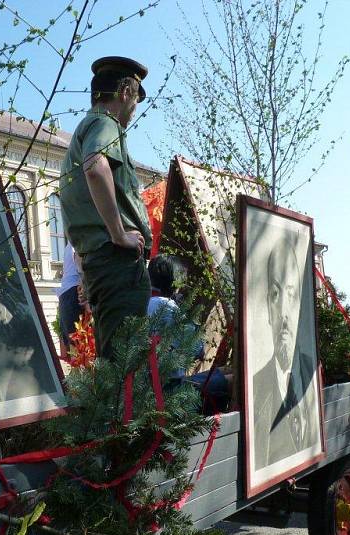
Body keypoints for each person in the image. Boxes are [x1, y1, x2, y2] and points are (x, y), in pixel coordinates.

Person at [59, 56, 153, 359]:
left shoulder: (81, 131)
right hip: (117, 263)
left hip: (101, 263)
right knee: (126, 366)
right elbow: (96, 167)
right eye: (135, 100)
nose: (133, 110)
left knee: (113, 360)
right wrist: (119, 234)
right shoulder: (105, 123)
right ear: (125, 90)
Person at [252, 241, 318, 470]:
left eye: (290, 294)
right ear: (268, 310)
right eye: (275, 294)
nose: (283, 312)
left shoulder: (314, 375)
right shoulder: (255, 388)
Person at [147, 255, 229, 406]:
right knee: (234, 378)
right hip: (168, 391)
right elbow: (198, 350)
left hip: (146, 388)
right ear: (175, 282)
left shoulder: (144, 302)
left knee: (227, 371)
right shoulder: (168, 306)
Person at [56, 242, 83, 351]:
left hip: (66, 294)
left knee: (73, 345)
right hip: (73, 292)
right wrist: (83, 281)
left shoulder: (70, 243)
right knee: (79, 344)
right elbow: (78, 257)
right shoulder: (79, 236)